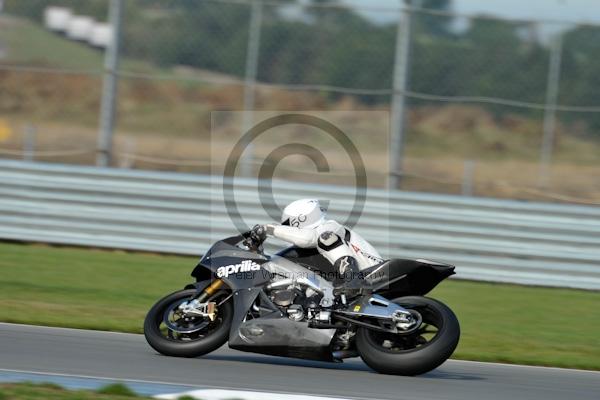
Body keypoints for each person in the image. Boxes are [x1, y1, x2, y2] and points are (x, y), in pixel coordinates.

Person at [251, 199, 384, 300]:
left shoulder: (330, 227)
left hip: (373, 276)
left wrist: (269, 229)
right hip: (341, 288)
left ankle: (354, 281)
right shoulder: (307, 247)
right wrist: (255, 252)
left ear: (297, 222)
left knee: (326, 239)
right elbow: (276, 264)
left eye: (287, 226)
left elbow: (309, 238)